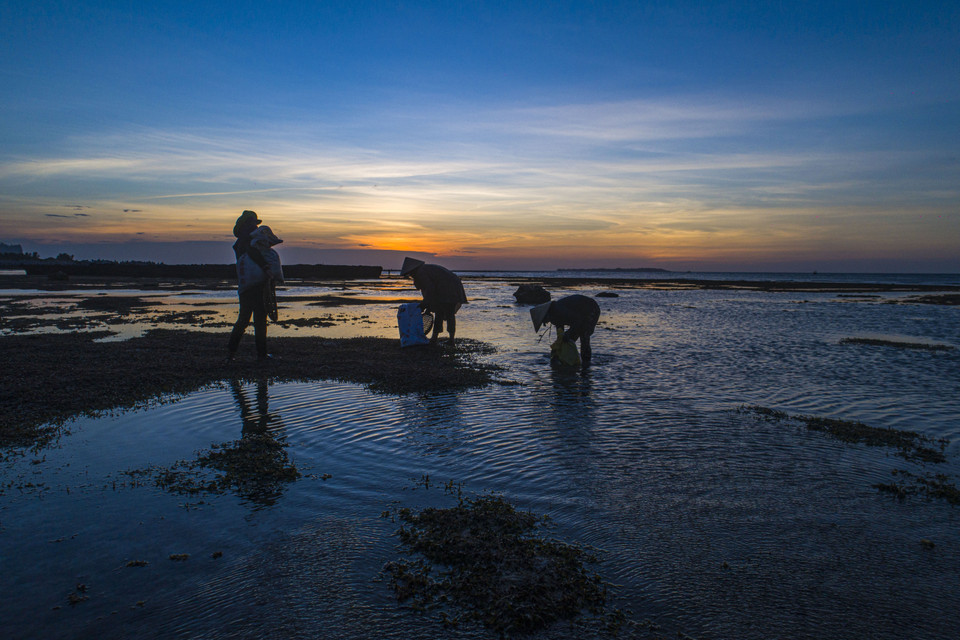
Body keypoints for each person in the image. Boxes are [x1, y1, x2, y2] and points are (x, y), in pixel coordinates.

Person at [227, 210, 274, 361]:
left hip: (245, 286)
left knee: (244, 319)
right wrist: (266, 267)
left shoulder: (241, 242)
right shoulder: (249, 241)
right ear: (247, 224)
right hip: (255, 285)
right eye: (253, 222)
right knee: (259, 319)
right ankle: (261, 355)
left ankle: (231, 353)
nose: (255, 225)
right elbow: (253, 253)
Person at [400, 256, 468, 346]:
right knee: (439, 313)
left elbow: (430, 289)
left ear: (412, 270)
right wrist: (428, 305)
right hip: (447, 287)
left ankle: (450, 340)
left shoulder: (421, 272)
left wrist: (424, 304)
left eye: (409, 274)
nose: (410, 276)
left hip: (450, 289)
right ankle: (435, 338)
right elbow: (430, 291)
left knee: (449, 313)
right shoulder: (423, 270)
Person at [530, 294, 601, 365]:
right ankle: (571, 360)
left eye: (544, 321)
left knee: (584, 336)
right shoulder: (554, 316)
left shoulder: (558, 310)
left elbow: (578, 320)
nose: (546, 323)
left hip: (591, 308)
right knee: (568, 340)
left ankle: (586, 363)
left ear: (545, 315)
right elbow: (560, 334)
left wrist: (569, 333)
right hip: (580, 313)